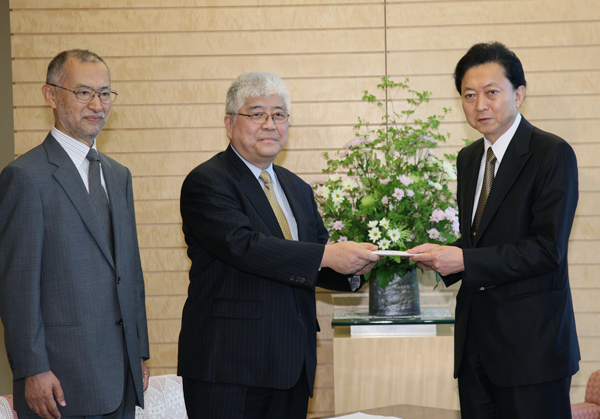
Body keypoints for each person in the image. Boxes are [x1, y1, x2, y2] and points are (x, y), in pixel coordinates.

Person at [178, 71, 379, 419]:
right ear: (229, 123)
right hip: (230, 368)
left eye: (279, 114)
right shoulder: (207, 181)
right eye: (257, 113)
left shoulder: (296, 188)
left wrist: (356, 269)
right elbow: (244, 246)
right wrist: (329, 255)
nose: (270, 124)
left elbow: (314, 260)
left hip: (292, 365)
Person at [409, 42, 580, 419]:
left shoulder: (551, 153)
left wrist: (465, 260)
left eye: (491, 92)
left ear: (518, 94)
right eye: (469, 95)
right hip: (475, 346)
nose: (480, 104)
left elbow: (547, 249)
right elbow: (482, 241)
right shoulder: (469, 158)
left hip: (532, 348)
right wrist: (441, 254)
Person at [0, 49, 150, 419]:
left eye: (104, 93)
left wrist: (139, 352)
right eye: (83, 92)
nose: (97, 105)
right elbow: (17, 287)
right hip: (60, 381)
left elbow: (129, 273)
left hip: (121, 375)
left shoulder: (119, 175)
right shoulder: (25, 177)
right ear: (50, 95)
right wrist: (32, 369)